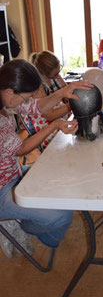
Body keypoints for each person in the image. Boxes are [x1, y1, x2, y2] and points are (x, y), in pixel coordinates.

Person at [0, 59, 92, 255]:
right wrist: (54, 125)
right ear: (9, 92)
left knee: (66, 184)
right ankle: (22, 224)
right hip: (1, 189)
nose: (26, 103)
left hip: (14, 174)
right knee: (60, 216)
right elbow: (21, 148)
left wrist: (62, 92)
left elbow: (36, 108)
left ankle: (22, 215)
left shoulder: (6, 99)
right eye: (24, 98)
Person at [20, 51, 72, 149]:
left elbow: (67, 91)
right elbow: (50, 115)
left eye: (59, 70)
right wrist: (71, 106)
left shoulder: (53, 75)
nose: (58, 74)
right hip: (44, 127)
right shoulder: (38, 86)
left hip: (56, 118)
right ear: (44, 73)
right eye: (56, 73)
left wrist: (68, 93)